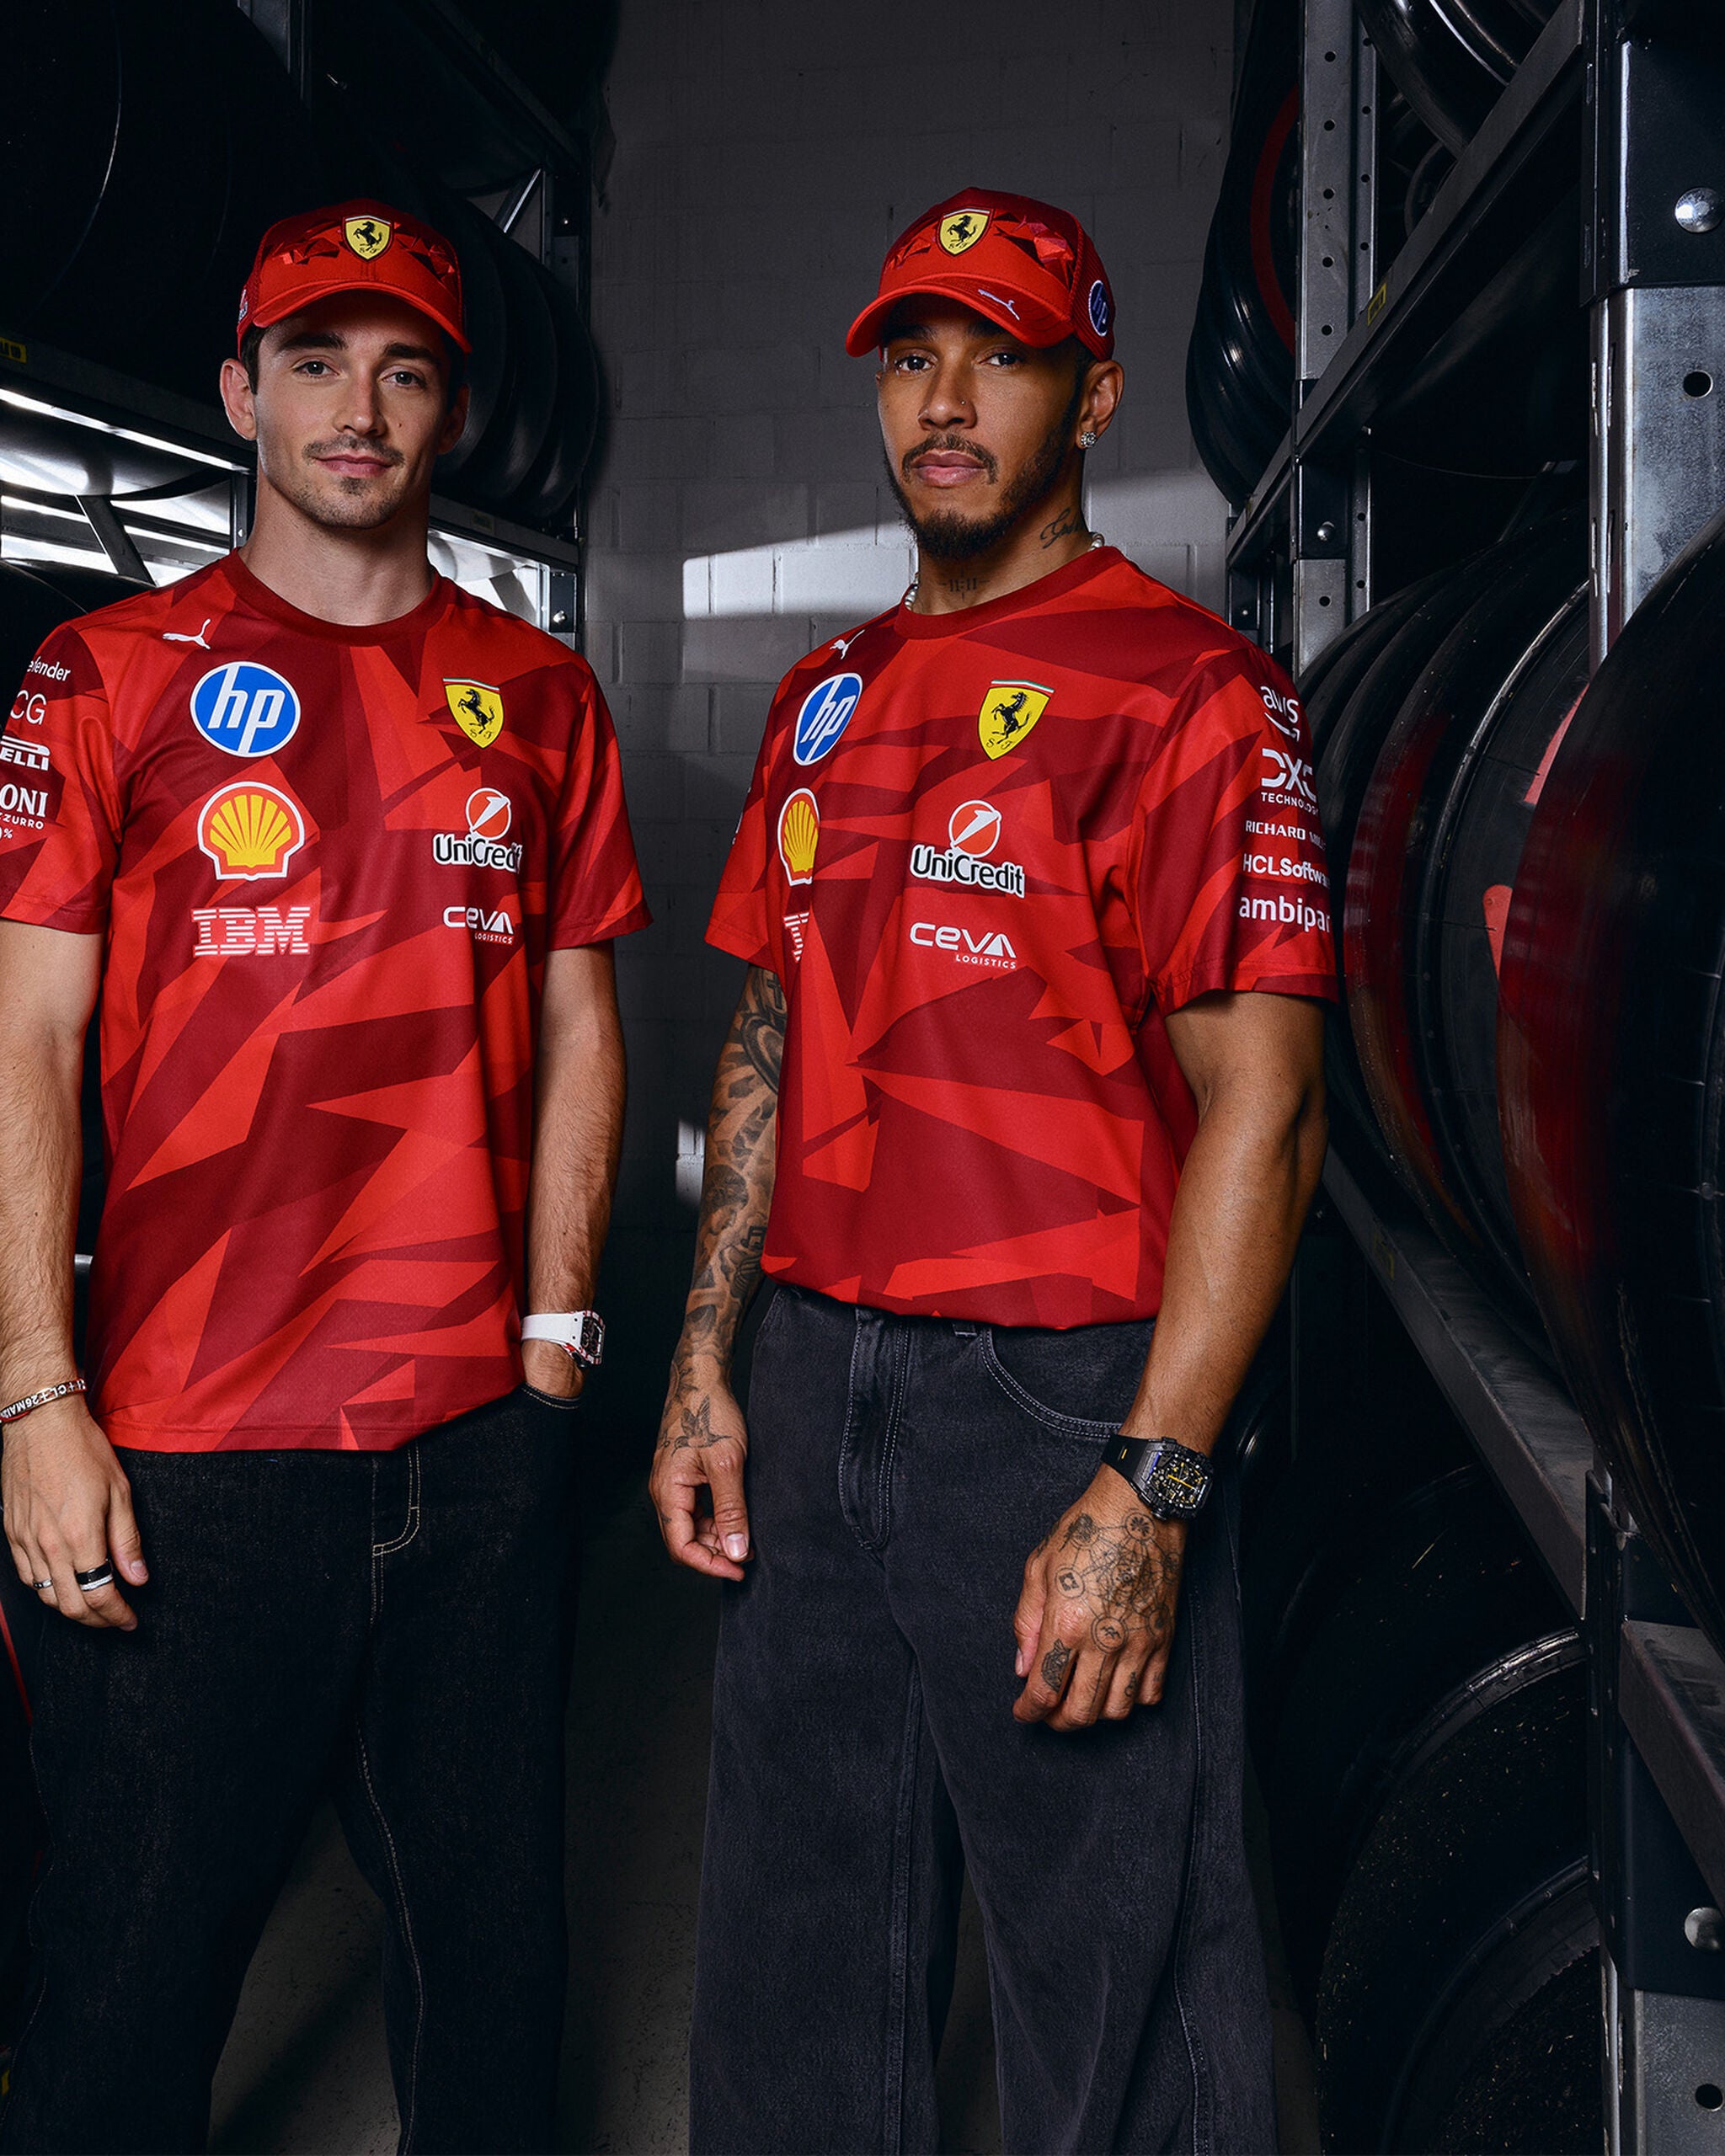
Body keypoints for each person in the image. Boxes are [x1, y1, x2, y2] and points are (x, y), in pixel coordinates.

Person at [653, 189, 1335, 2153]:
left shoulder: (1190, 697)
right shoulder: (823, 697)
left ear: (1093, 392)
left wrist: (1152, 1472)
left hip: (1051, 1394)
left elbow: (1264, 1110)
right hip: (810, 1365)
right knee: (790, 1935)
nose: (942, 398)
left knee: (1107, 1966)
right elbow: (768, 1037)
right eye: (908, 351)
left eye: (1002, 351)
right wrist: (709, 1357)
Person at [0, 198, 648, 2153]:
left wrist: (554, 1339)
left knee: (492, 1963)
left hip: (473, 1442)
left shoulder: (537, 698)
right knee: (125, 1970)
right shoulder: (103, 677)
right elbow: (23, 1039)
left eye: (407, 367)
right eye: (319, 359)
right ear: (239, 392)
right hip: (191, 1447)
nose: (362, 404)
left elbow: (582, 1025)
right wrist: (40, 1391)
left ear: (451, 413)